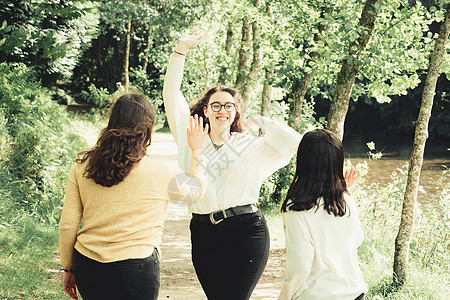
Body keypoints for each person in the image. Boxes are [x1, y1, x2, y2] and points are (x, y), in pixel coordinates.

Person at [163, 29, 302, 300]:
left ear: (236, 111)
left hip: (246, 231)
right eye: (216, 105)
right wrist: (180, 50)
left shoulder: (249, 146)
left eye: (229, 106)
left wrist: (262, 122)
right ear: (205, 110)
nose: (222, 111)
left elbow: (294, 144)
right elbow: (171, 93)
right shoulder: (189, 137)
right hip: (203, 231)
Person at [59, 93, 208, 300]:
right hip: (136, 267)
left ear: (112, 122)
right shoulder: (160, 171)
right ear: (148, 127)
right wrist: (198, 149)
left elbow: (68, 225)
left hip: (88, 264)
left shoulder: (82, 167)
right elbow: (196, 191)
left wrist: (69, 268)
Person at [278, 129, 367, 300]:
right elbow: (357, 239)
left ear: (303, 162)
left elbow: (300, 265)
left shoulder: (296, 208)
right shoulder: (346, 200)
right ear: (337, 162)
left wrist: (285, 296)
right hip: (354, 292)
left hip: (317, 295)